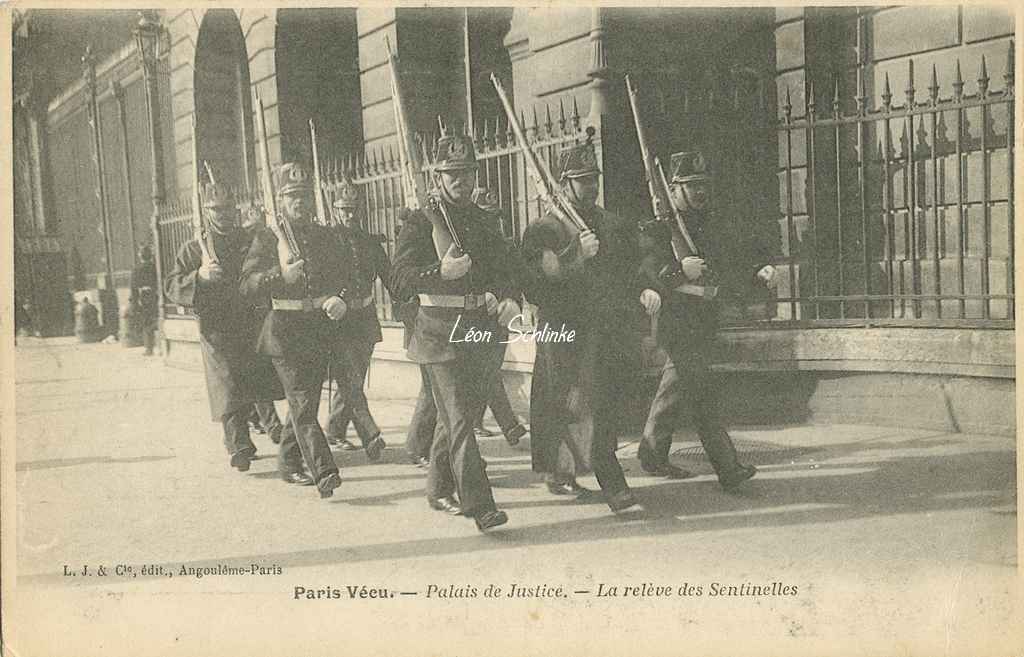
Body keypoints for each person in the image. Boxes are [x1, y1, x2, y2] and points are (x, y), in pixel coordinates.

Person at [389, 131, 521, 532]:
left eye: (467, 173)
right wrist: (438, 273)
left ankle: (437, 487)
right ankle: (480, 506)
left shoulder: (484, 220)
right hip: (437, 334)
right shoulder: (418, 220)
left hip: (480, 330)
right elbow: (398, 280)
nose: (461, 181)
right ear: (438, 177)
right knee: (461, 420)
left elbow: (506, 269)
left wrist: (509, 297)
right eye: (452, 174)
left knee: (455, 419)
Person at [520, 140, 661, 513]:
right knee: (562, 402)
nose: (592, 186)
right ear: (564, 184)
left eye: (593, 178)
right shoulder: (543, 230)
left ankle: (601, 476)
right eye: (582, 180)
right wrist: (576, 255)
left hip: (604, 329)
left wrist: (646, 287)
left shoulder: (610, 223)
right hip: (562, 329)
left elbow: (632, 267)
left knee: (602, 404)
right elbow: (535, 285)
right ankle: (565, 472)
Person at [636, 150, 774, 488]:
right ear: (673, 188)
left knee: (675, 387)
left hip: (704, 319)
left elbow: (729, 260)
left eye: (703, 184)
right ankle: (728, 469)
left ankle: (651, 452)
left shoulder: (709, 222)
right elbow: (647, 272)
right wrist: (678, 271)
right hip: (677, 321)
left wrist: (757, 271)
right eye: (690, 185)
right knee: (702, 394)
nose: (700, 191)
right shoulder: (657, 227)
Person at [240, 162, 355, 499]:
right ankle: (324, 471)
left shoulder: (324, 235)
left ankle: (289, 461)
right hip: (284, 334)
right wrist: (280, 277)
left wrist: (340, 299)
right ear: (280, 200)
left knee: (305, 403)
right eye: (292, 196)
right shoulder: (266, 237)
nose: (300, 202)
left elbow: (345, 276)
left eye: (305, 196)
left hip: (318, 331)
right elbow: (246, 284)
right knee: (303, 403)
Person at [163, 183, 285, 473]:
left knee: (253, 377)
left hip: (249, 320)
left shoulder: (249, 240)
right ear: (206, 212)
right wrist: (200, 276)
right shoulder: (196, 246)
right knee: (227, 384)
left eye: (229, 208)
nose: (224, 215)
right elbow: (171, 284)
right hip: (215, 326)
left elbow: (267, 263)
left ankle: (268, 426)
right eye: (217, 210)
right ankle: (239, 445)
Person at [322, 177, 389, 460]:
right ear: (335, 210)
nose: (349, 215)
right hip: (340, 319)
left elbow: (389, 275)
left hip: (365, 317)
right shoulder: (326, 240)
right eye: (343, 209)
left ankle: (335, 429)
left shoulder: (369, 241)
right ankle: (370, 433)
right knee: (349, 378)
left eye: (353, 209)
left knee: (354, 378)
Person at [469, 185, 528, 446]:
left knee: (487, 372)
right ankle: (509, 425)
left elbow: (517, 281)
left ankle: (478, 421)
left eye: (495, 217)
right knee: (486, 373)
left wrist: (513, 302)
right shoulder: (465, 247)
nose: (492, 223)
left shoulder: (507, 247)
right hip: (472, 321)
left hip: (498, 322)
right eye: (486, 216)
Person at [130, 245, 159, 356]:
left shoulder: (136, 269)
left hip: (144, 299)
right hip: (156, 296)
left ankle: (149, 348)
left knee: (147, 323)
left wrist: (134, 302)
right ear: (150, 256)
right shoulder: (155, 267)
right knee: (157, 320)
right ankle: (161, 346)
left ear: (140, 256)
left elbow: (133, 288)